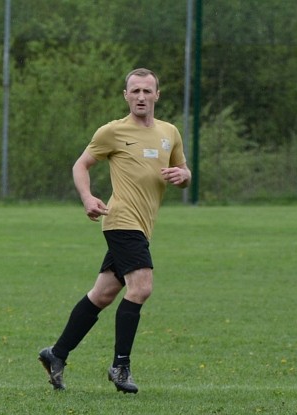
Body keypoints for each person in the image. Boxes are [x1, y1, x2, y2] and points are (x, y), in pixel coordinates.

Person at [37, 67, 191, 394]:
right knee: (142, 287)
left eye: (147, 91)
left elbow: (182, 169)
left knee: (103, 294)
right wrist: (87, 197)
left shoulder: (170, 132)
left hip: (143, 226)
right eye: (135, 91)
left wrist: (184, 176)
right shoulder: (112, 131)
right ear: (126, 96)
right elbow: (81, 164)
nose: (141, 97)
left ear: (157, 95)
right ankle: (120, 366)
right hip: (121, 220)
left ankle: (56, 354)